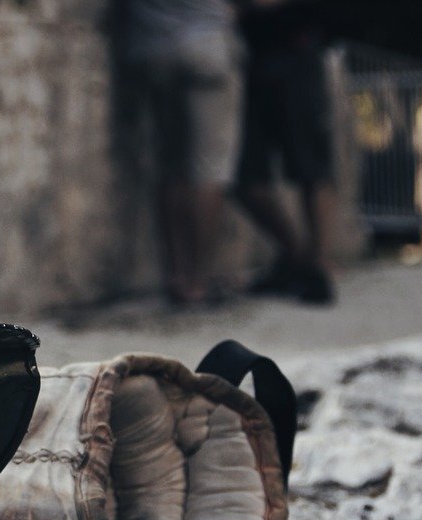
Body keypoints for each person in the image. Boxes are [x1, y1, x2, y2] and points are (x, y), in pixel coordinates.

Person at [120, 0, 244, 307]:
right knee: (209, 167)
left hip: (154, 51)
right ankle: (198, 281)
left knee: (171, 165)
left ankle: (176, 276)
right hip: (206, 49)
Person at [235, 0, 337, 304]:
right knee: (244, 178)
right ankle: (298, 259)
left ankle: (316, 268)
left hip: (296, 53)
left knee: (311, 167)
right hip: (248, 59)